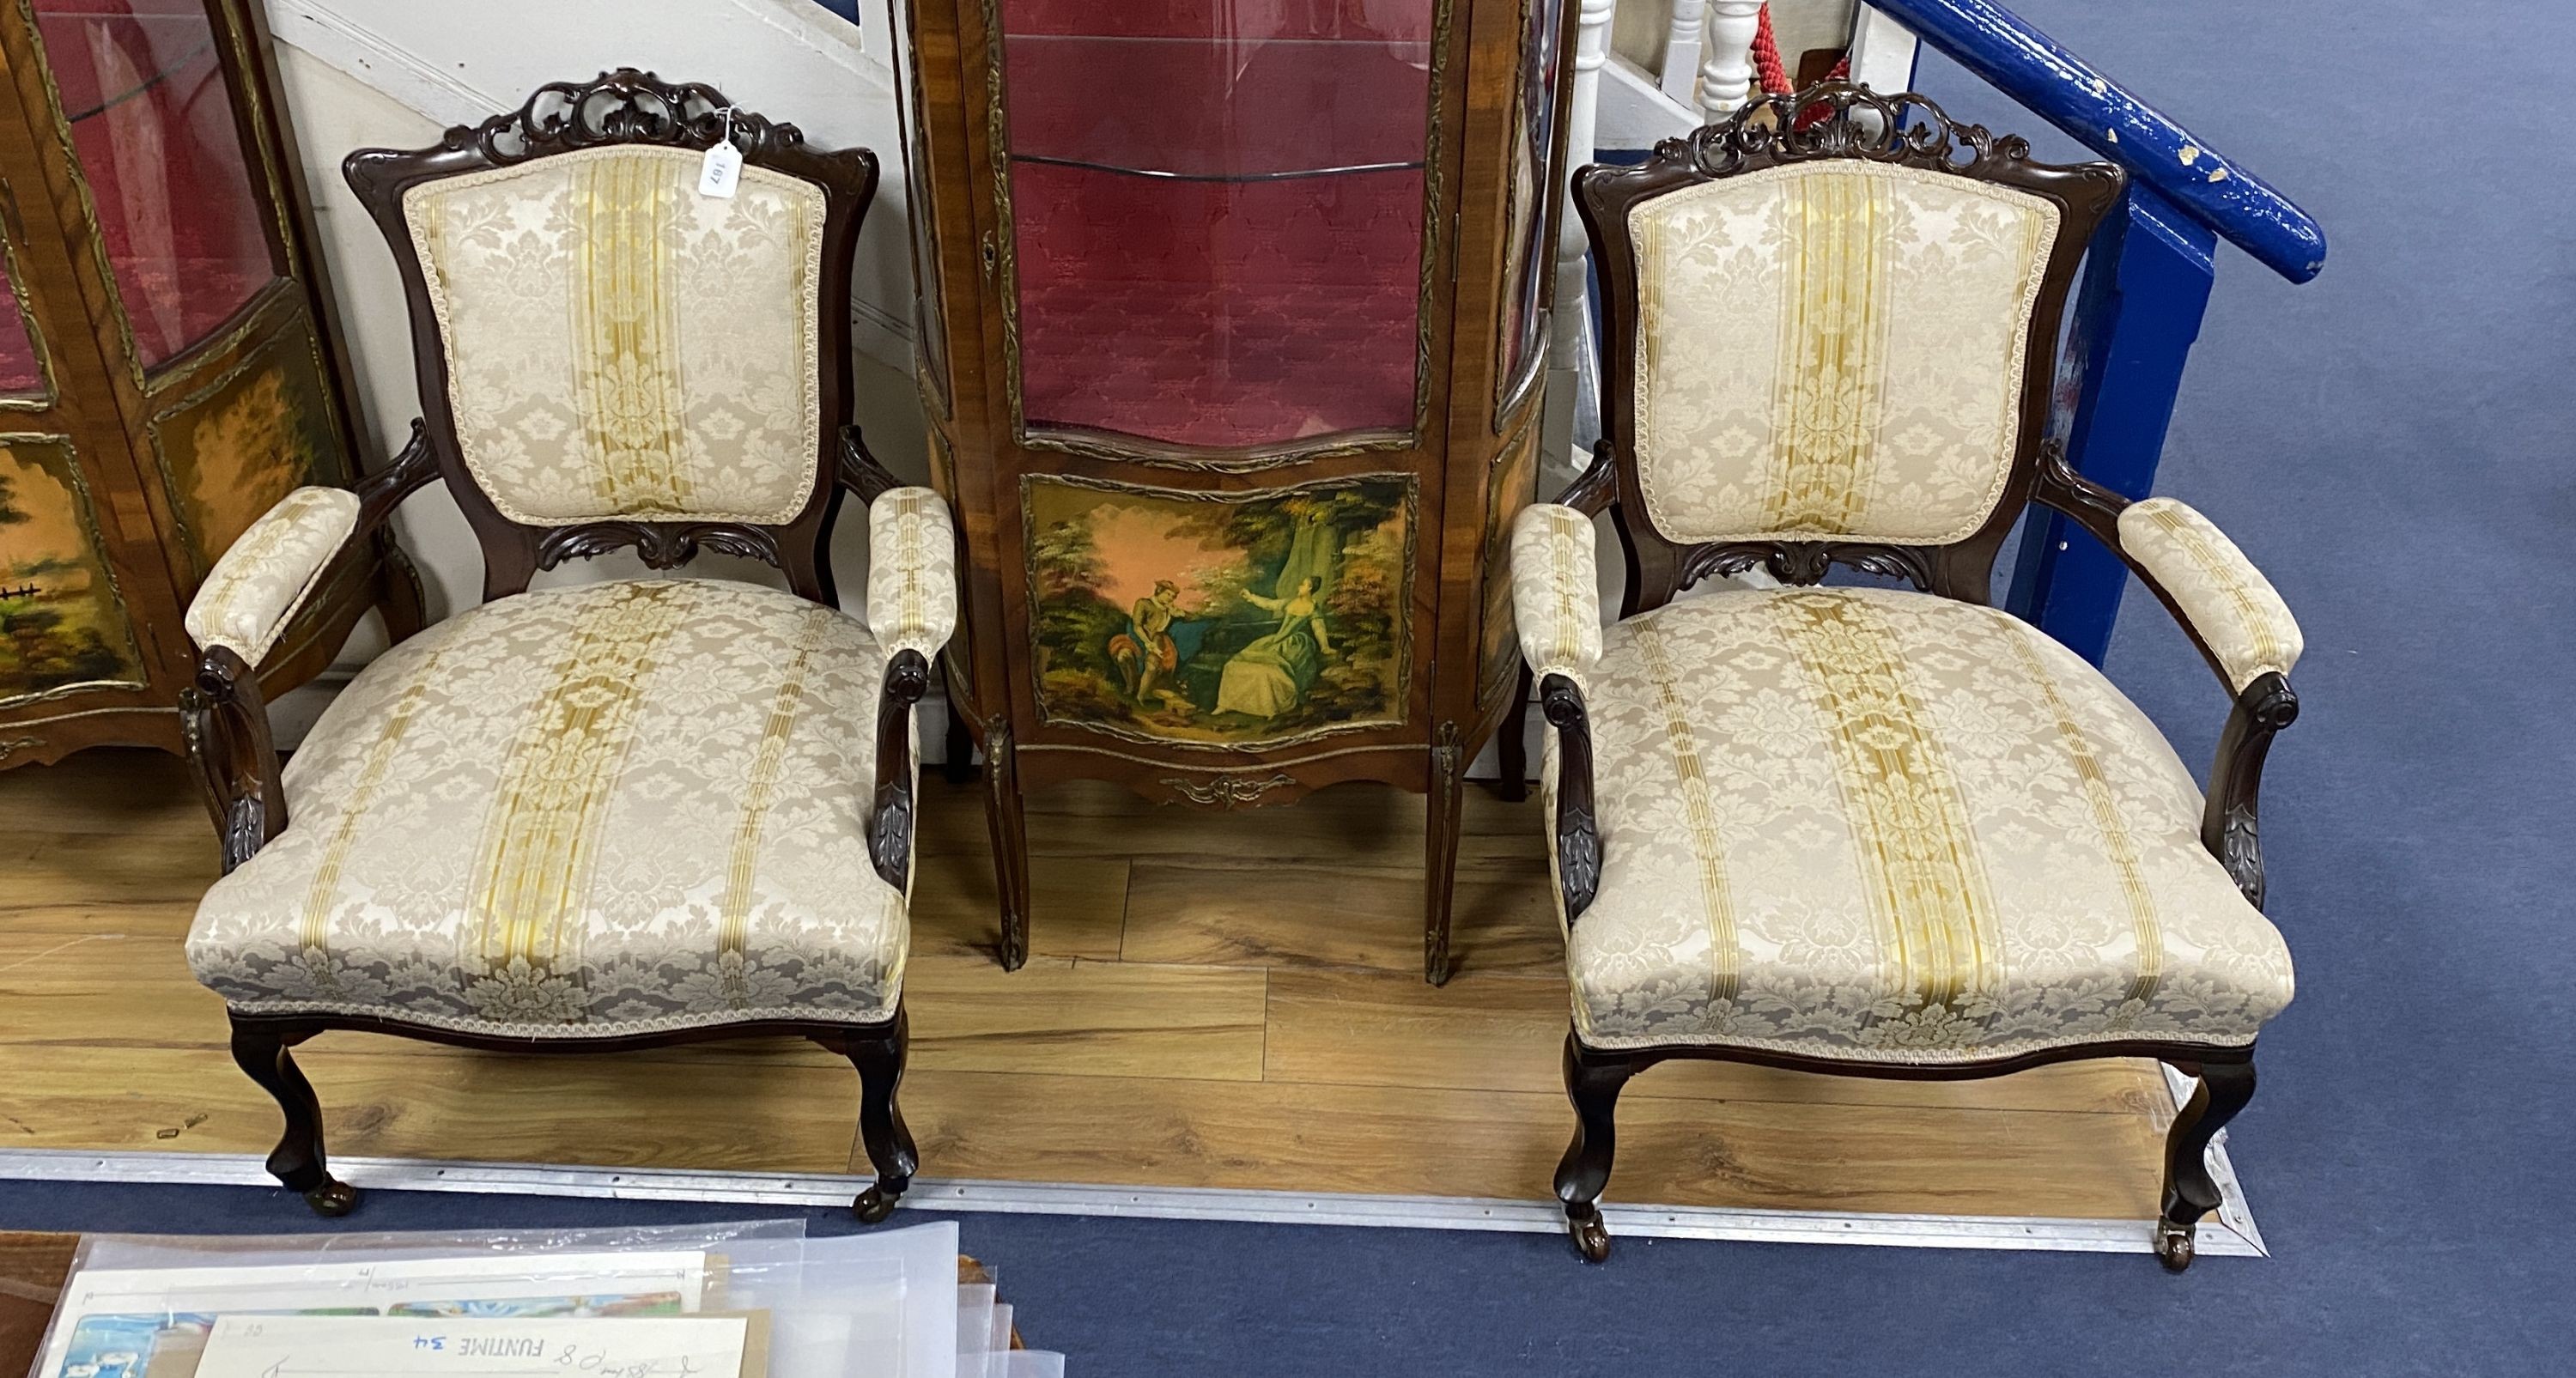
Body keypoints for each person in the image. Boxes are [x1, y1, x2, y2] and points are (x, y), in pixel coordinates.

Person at [1216, 576, 1334, 719]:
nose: (1299, 586)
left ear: (1310, 588)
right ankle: (1226, 703)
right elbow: (1269, 604)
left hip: (1293, 647)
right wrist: (1250, 596)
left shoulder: (1313, 608)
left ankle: (1269, 707)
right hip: (1275, 642)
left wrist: (1325, 647)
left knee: (1270, 671)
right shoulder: (1290, 602)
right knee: (1233, 665)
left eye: (1303, 584)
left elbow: (1319, 628)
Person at [1110, 580, 1183, 703]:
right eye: (1168, 594)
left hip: (1158, 639)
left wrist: (1180, 613)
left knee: (1152, 667)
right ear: (1159, 592)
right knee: (1123, 656)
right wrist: (1148, 643)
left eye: (1173, 597)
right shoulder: (1143, 603)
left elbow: (1184, 617)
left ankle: (1140, 696)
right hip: (1138, 636)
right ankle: (1130, 686)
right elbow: (1137, 626)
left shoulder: (1169, 609)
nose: (1171, 598)